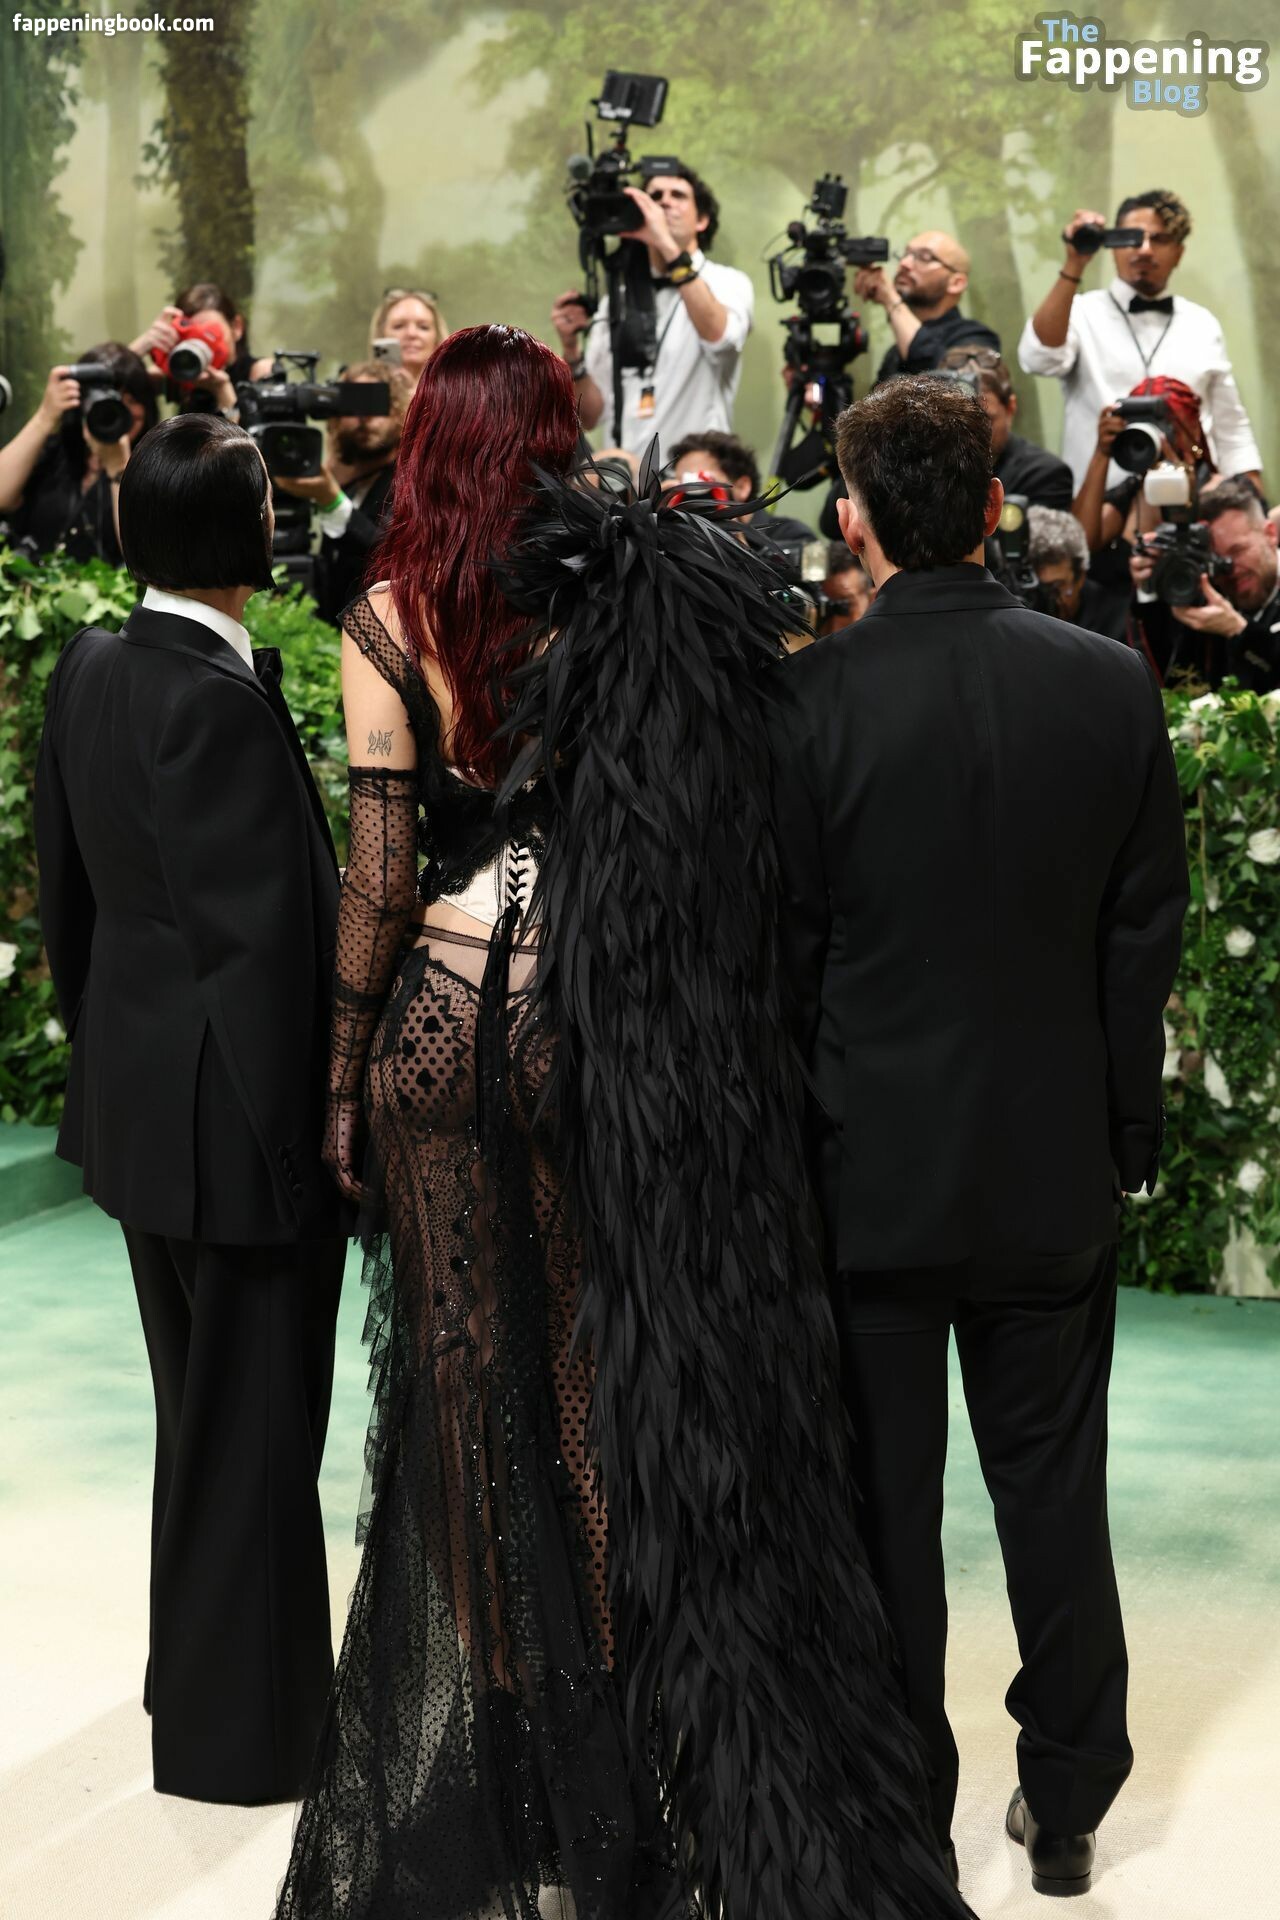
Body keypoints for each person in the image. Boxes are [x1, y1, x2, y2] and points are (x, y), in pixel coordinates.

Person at [276, 325, 972, 1920]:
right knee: (601, 1399)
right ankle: (620, 1776)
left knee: (465, 1397)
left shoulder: (391, 611)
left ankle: (512, 1770)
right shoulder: (620, 581)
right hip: (593, 1025)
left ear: (426, 440)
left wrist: (340, 1072)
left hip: (440, 1017)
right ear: (553, 432)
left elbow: (380, 873)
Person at [770, 376, 1188, 1897]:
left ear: (855, 518)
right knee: (1054, 1494)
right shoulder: (1108, 683)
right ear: (998, 506)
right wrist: (1122, 1128)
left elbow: (784, 958)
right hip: (1049, 1164)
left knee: (885, 1512)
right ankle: (1067, 1804)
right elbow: (1140, 938)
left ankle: (902, 1819)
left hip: (866, 1171)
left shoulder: (806, 701)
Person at [33, 413, 349, 1804]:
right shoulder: (212, 698)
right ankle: (244, 1742)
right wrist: (311, 1150)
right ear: (246, 530)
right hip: (237, 1132)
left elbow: (70, 910)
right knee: (255, 1434)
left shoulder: (93, 668)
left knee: (205, 1419)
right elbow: (261, 960)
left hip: (143, 1111)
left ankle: (202, 1687)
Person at [1018, 190, 1264, 494]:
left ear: (1179, 253)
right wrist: (1075, 263)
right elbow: (1038, 359)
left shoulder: (1202, 324)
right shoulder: (1080, 313)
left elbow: (1230, 423)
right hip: (1097, 505)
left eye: (1159, 239)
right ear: (1113, 246)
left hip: (1189, 501)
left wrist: (1252, 492)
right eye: (1132, 238)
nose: (1145, 249)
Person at [551, 166, 754, 456]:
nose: (665, 202)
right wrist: (572, 352)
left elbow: (720, 338)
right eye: (655, 196)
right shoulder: (617, 299)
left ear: (702, 220)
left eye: (678, 195)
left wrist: (666, 245)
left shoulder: (727, 282)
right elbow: (590, 416)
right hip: (623, 477)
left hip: (693, 477)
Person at [274, 359, 414, 624]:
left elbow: (389, 556)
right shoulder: (346, 480)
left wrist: (331, 500)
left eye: (374, 404)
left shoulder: (410, 480)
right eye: (353, 405)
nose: (364, 416)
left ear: (397, 413)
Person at [0, 344, 156, 564]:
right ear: (80, 403)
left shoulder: (156, 466)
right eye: (104, 400)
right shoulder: (54, 452)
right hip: (35, 580)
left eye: (131, 400)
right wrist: (45, 416)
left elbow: (146, 557)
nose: (116, 409)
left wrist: (120, 470)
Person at [1133, 477, 1280, 695]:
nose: (1230, 568)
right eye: (1216, 560)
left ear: (1270, 534)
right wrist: (1150, 587)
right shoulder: (1206, 596)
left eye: (1238, 551)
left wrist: (1238, 630)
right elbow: (1168, 683)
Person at [853, 230, 1000, 384]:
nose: (904, 263)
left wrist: (890, 299)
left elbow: (950, 384)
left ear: (956, 283)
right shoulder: (895, 353)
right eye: (905, 254)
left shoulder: (977, 338)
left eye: (924, 257)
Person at [939, 346, 1074, 511]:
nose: (971, 434)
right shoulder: (924, 467)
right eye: (957, 419)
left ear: (1010, 408)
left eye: (984, 420)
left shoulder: (1045, 475)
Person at [131, 279, 274, 417]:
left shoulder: (260, 372)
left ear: (236, 327)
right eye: (190, 336)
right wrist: (142, 345)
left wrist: (222, 390)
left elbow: (247, 433)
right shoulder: (178, 371)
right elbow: (120, 386)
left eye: (209, 334)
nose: (199, 345)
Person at [666, 427, 815, 545]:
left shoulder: (792, 536)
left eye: (701, 483)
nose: (687, 494)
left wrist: (741, 551)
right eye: (680, 485)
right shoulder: (681, 540)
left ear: (742, 487)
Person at [1026, 506, 1130, 640]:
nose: (1045, 597)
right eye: (1038, 586)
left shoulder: (1115, 622)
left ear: (1080, 577)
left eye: (1056, 586)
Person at [367, 286, 448, 387]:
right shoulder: (364, 386)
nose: (411, 333)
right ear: (381, 335)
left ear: (437, 338)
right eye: (399, 326)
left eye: (423, 327)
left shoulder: (455, 391)